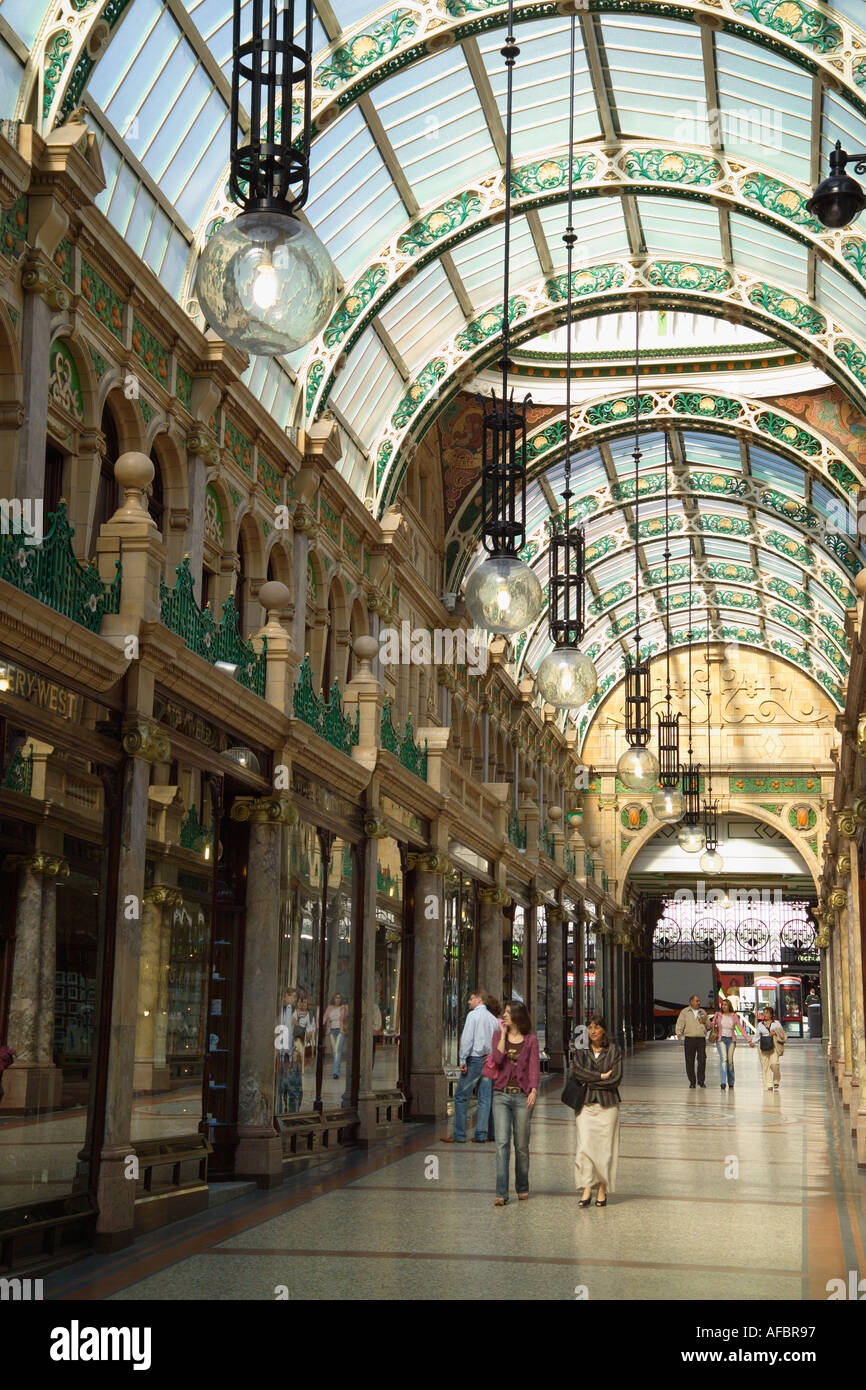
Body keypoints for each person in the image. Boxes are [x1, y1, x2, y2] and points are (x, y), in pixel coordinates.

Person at [486, 1000, 539, 1205]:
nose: (504, 1015)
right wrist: (502, 1034)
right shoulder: (499, 1035)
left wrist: (533, 1090)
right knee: (502, 1143)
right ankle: (501, 1192)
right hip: (501, 1094)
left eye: (508, 1012)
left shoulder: (531, 1040)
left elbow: (534, 1066)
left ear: (518, 1015)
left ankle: (522, 1186)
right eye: (504, 1012)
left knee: (522, 1145)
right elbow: (497, 1060)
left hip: (522, 1095)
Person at [570, 1016, 622, 1207]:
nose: (592, 1031)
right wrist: (600, 1076)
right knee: (585, 1147)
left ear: (603, 1030)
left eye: (596, 1027)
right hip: (585, 1105)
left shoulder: (614, 1051)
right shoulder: (581, 1051)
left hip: (608, 1106)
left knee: (605, 1150)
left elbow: (615, 1079)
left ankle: (601, 1188)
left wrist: (590, 1081)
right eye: (590, 1028)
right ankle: (586, 1187)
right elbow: (577, 1072)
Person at [441, 990, 498, 1143]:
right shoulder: (493, 1019)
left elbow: (467, 1039)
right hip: (488, 1062)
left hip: (474, 1060)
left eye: (471, 999)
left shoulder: (473, 1016)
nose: (468, 1002)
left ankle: (459, 1134)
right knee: (485, 1099)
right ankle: (480, 1134)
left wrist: (462, 1059)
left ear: (479, 1000)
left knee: (460, 1096)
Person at [710, 997, 753, 1090]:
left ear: (729, 1006)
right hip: (720, 1039)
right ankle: (722, 1082)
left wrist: (748, 1040)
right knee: (724, 1059)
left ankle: (731, 1081)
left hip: (731, 1040)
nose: (724, 1006)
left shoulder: (734, 1016)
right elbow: (712, 1025)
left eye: (726, 1005)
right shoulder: (718, 1014)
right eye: (723, 1005)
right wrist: (714, 1019)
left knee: (730, 1061)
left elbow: (741, 1029)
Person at [675, 993, 710, 1087]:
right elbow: (680, 1022)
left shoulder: (702, 1012)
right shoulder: (685, 1012)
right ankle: (692, 1082)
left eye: (699, 1001)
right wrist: (679, 1032)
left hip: (701, 1039)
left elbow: (709, 1026)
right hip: (689, 1039)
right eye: (697, 1001)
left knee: (702, 1059)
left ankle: (701, 1081)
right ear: (691, 1002)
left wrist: (705, 1021)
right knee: (689, 1061)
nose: (699, 1002)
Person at [756, 1005, 786, 1091]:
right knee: (765, 1065)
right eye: (764, 1013)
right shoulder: (760, 1024)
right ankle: (769, 1084)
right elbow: (757, 1035)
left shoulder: (776, 1023)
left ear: (771, 1014)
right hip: (763, 1045)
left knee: (774, 1064)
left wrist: (775, 1032)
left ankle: (776, 1080)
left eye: (767, 1013)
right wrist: (751, 1042)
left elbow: (782, 1033)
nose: (765, 1014)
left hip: (774, 1044)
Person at [322, 993, 348, 1079]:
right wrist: (319, 1026)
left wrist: (346, 1009)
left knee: (337, 1050)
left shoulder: (344, 1007)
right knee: (335, 1051)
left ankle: (335, 1072)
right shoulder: (329, 1008)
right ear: (333, 999)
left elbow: (347, 1016)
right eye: (336, 998)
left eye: (339, 998)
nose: (337, 999)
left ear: (341, 999)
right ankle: (337, 1068)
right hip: (332, 1031)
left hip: (341, 1031)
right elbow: (325, 1017)